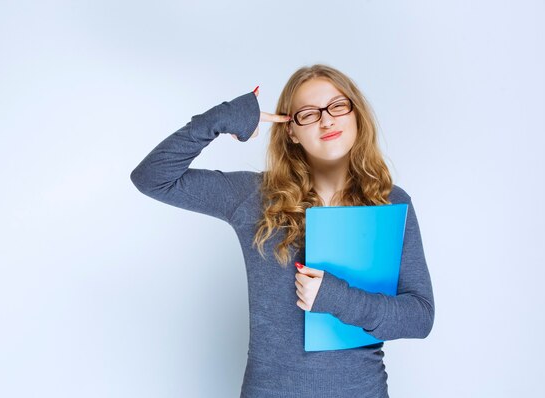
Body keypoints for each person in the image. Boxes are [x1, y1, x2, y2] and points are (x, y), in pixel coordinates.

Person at [130, 64, 435, 397]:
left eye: (337, 106)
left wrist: (338, 298)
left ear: (355, 113)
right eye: (308, 114)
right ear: (291, 131)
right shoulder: (254, 197)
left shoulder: (390, 202)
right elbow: (152, 177)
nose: (326, 120)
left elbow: (419, 317)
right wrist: (219, 119)